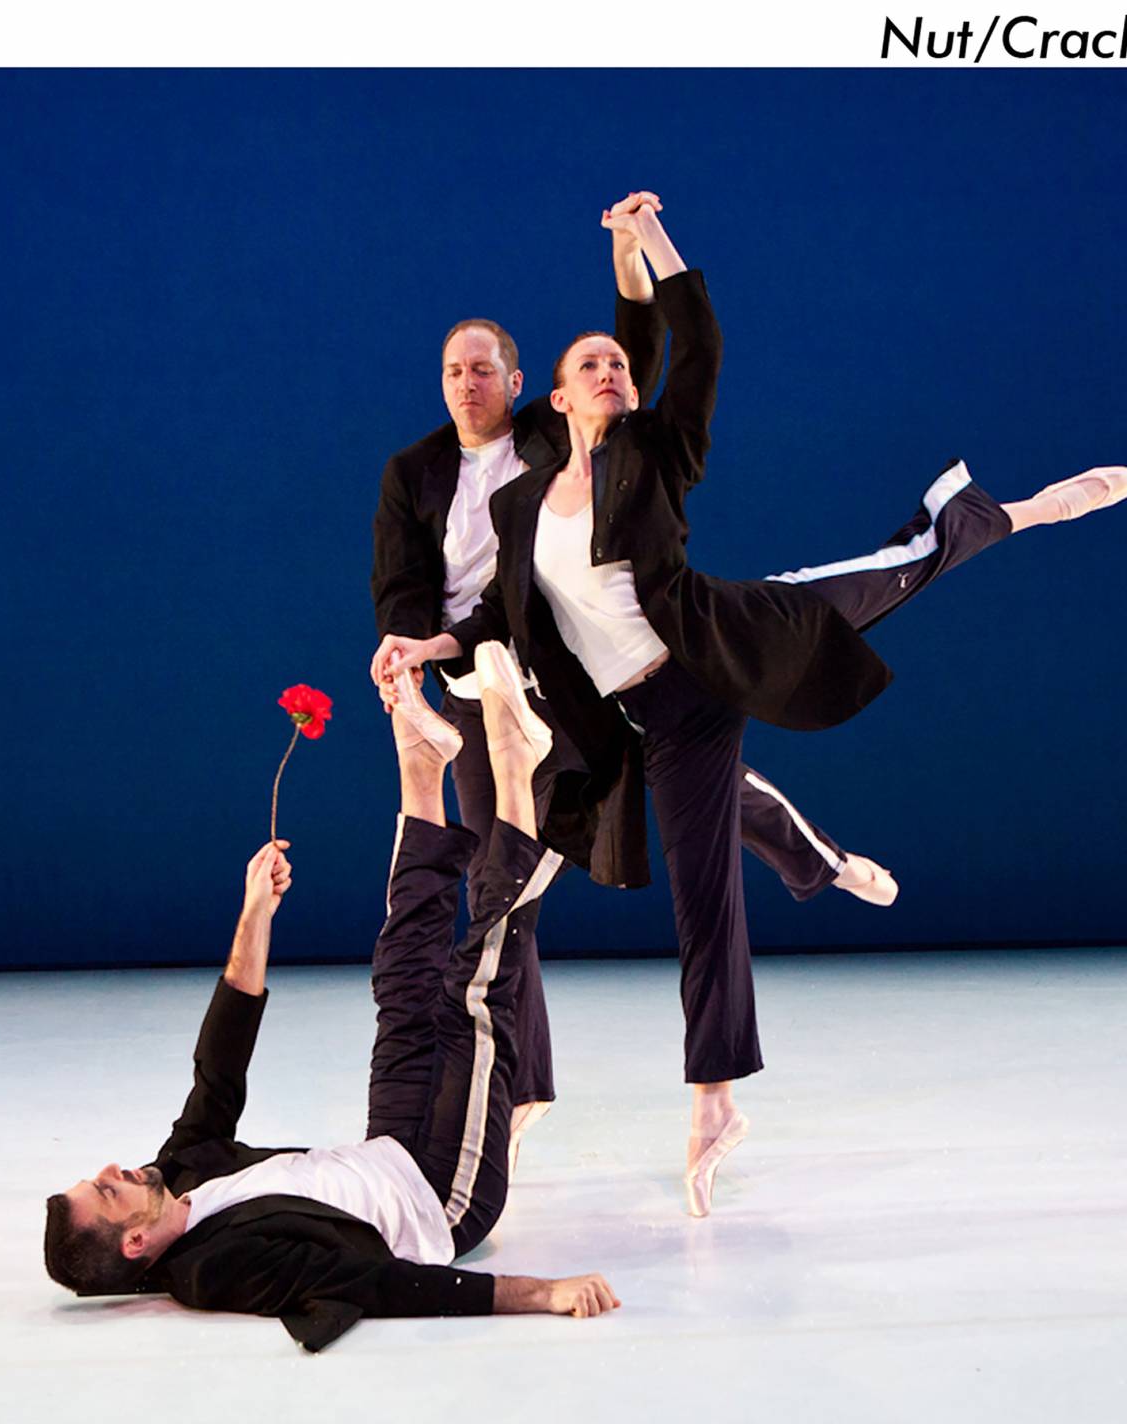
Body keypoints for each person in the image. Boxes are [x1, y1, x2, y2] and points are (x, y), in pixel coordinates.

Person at [370, 194, 1127, 1217]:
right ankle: (789, 876)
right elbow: (505, 616)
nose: (608, 370)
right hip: (619, 713)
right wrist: (434, 641)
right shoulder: (521, 499)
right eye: (587, 364)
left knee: (891, 573)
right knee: (550, 865)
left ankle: (713, 1100)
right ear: (550, 400)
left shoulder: (656, 452)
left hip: (713, 661)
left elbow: (694, 340)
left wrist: (648, 244)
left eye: (616, 363)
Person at [371, 194, 901, 1170]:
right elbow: (427, 589)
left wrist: (635, 249)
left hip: (640, 678)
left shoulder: (575, 442)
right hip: (516, 696)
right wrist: (420, 648)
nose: (468, 383)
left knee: (706, 819)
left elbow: (646, 350)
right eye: (453, 370)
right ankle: (519, 1087)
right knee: (506, 875)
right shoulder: (420, 474)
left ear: (525, 385)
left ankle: (806, 869)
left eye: (484, 367)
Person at [43, 642, 620, 1350]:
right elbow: (370, 1282)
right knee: (476, 992)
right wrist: (539, 1292)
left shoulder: (182, 1171)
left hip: (388, 1144)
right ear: (134, 1242)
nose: (109, 1169)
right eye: (105, 1191)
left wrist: (254, 913)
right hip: (441, 1197)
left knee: (401, 973)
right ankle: (512, 758)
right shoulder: (216, 1267)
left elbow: (218, 1069)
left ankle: (420, 762)